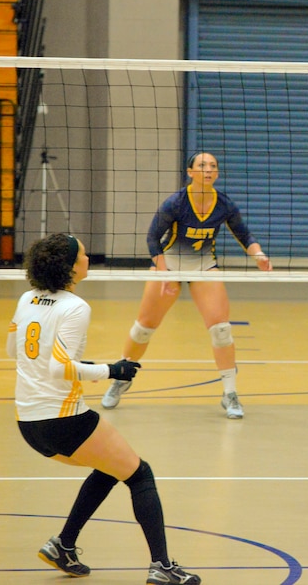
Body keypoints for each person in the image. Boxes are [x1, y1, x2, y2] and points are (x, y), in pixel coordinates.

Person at [10, 233, 200, 584]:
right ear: (69, 267)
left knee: (112, 466)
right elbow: (58, 367)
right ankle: (162, 567)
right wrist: (111, 370)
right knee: (140, 473)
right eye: (82, 253)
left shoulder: (26, 299)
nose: (87, 257)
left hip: (28, 422)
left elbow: (14, 350)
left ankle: (63, 546)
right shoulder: (75, 307)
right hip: (64, 420)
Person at [101, 152, 271, 419]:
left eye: (213, 166)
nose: (208, 170)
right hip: (167, 263)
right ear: (190, 172)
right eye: (202, 166)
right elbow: (152, 238)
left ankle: (229, 394)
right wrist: (164, 274)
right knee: (143, 329)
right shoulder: (176, 203)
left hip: (203, 266)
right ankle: (122, 378)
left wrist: (258, 255)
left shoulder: (223, 204)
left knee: (221, 330)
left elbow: (244, 233)